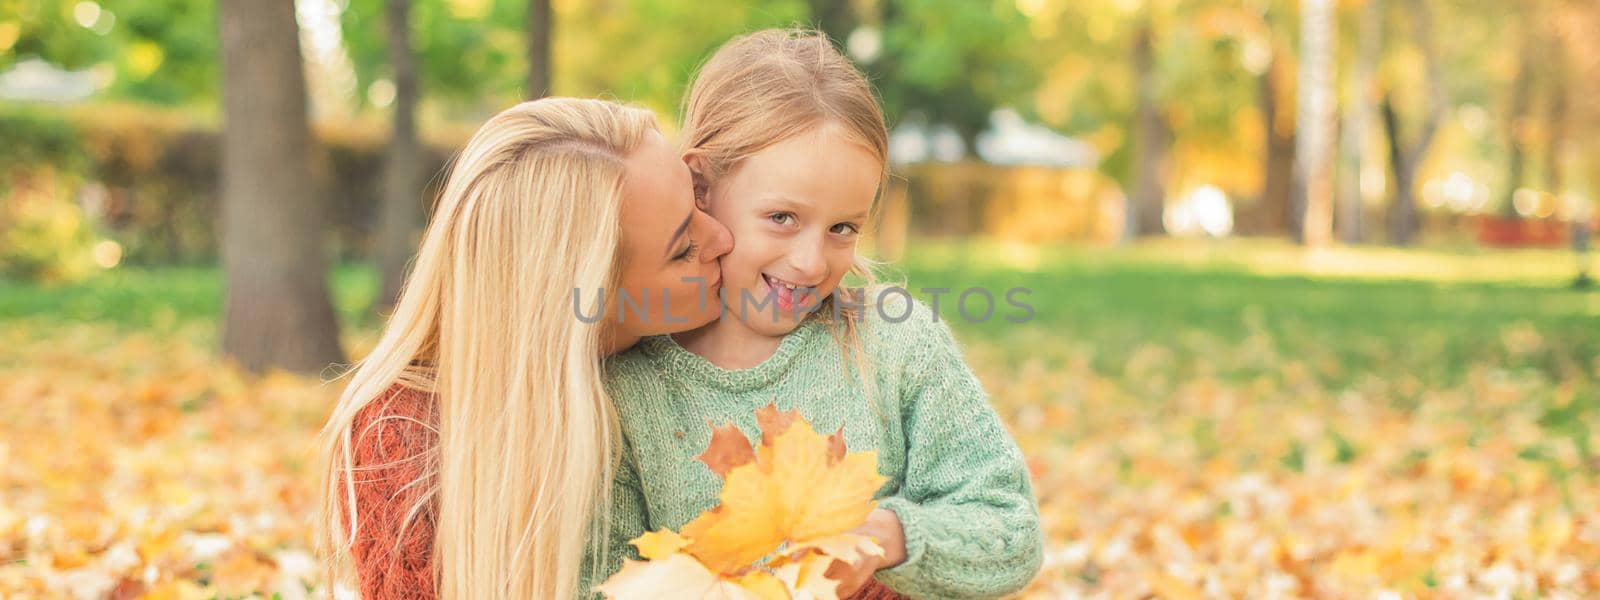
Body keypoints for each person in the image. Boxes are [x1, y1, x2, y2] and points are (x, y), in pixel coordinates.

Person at [591, 29, 1044, 599]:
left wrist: (890, 537)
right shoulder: (629, 384)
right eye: (782, 217)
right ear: (701, 186)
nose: (809, 263)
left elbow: (1010, 529)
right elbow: (596, 579)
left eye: (842, 228)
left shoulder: (894, 343)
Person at [315, 97, 733, 599]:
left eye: (700, 202)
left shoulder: (742, 344)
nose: (725, 238)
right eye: (684, 248)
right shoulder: (402, 437)